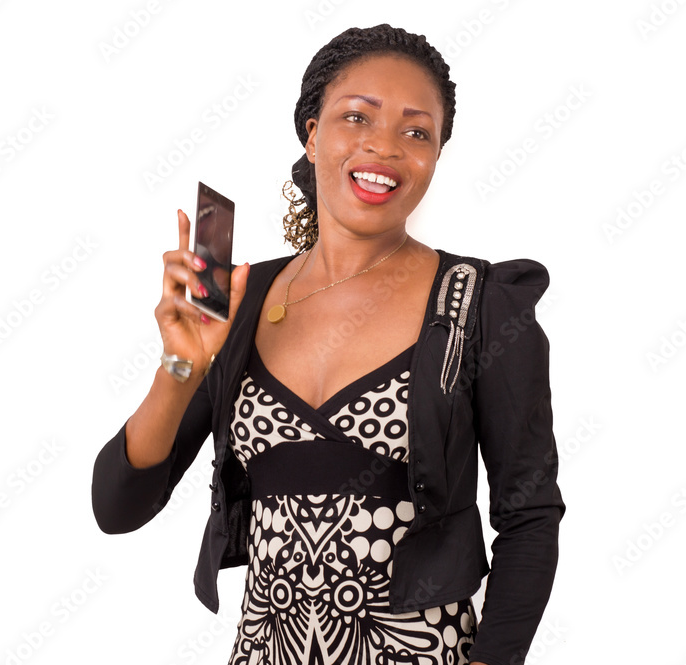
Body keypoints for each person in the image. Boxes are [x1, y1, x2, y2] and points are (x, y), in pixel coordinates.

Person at [92, 23, 565, 665]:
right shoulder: (233, 298)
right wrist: (182, 366)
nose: (385, 147)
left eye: (417, 132)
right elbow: (118, 508)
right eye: (357, 117)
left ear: (436, 156)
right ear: (312, 135)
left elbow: (529, 517)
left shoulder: (481, 304)